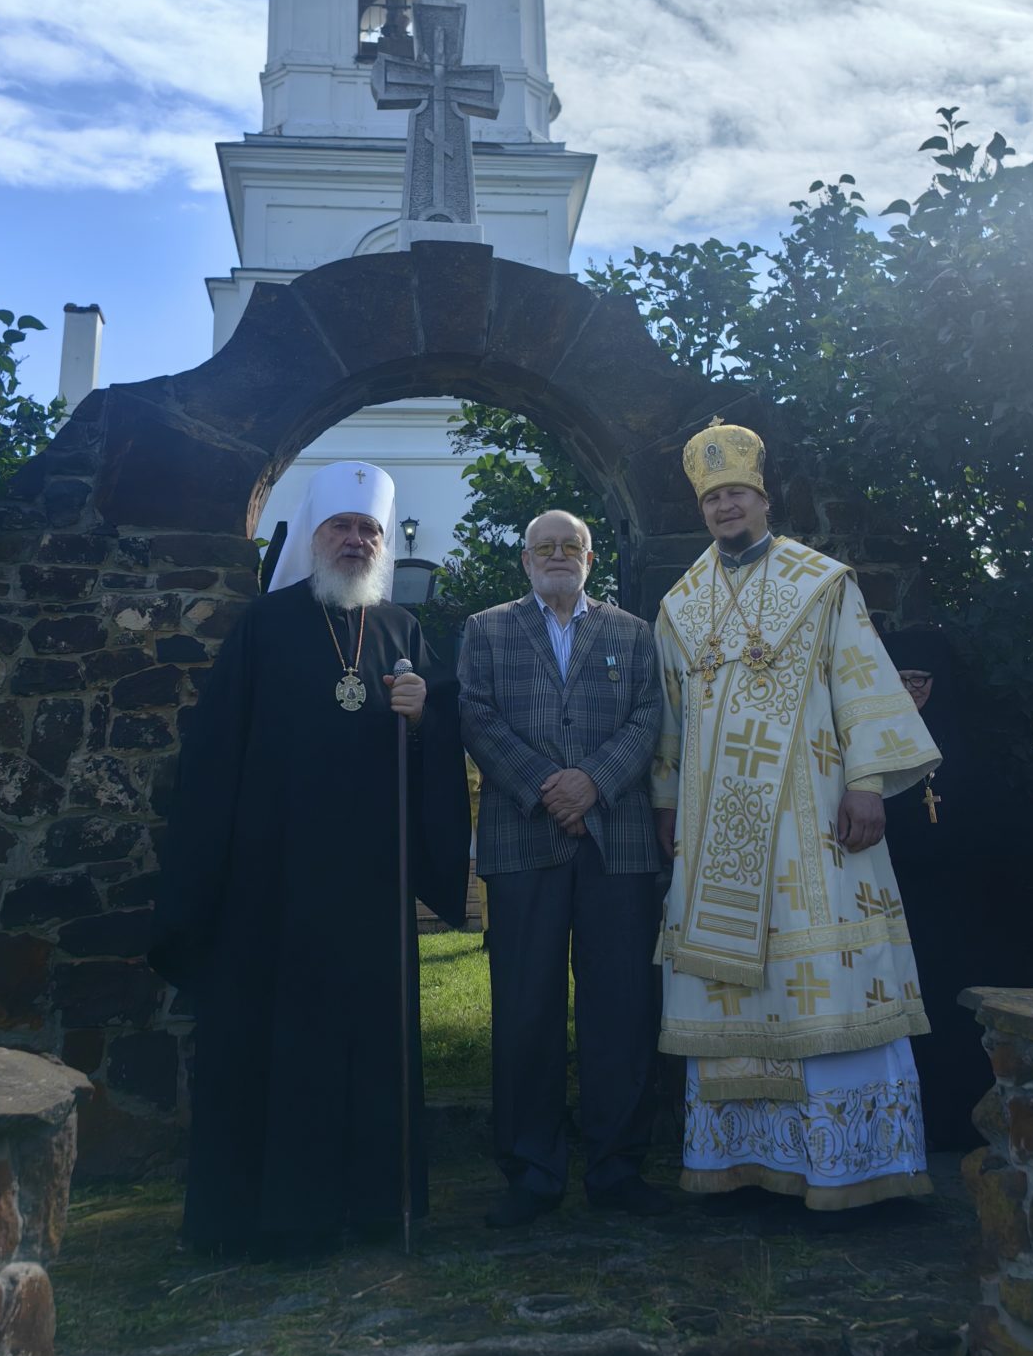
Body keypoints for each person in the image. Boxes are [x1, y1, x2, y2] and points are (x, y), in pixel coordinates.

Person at [149, 461, 471, 1253]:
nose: (356, 540)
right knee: (277, 1043)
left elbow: (438, 743)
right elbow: (215, 754)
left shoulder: (401, 629)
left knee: (370, 1045)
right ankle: (278, 1216)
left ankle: (372, 1205)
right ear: (315, 536)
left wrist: (425, 716)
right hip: (274, 884)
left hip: (370, 886)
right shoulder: (264, 626)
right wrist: (213, 869)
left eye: (369, 530)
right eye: (342, 527)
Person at [652, 419, 939, 1212]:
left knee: (829, 983)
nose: (724, 507)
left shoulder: (821, 582)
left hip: (815, 822)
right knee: (733, 986)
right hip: (717, 837)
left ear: (762, 497)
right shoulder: (680, 605)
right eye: (712, 498)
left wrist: (868, 782)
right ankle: (747, 1161)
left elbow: (861, 680)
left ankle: (850, 1170)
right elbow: (670, 719)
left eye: (736, 493)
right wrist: (665, 801)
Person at [459, 508, 666, 1227]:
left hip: (620, 842)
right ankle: (531, 1170)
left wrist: (593, 784)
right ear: (525, 560)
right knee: (526, 1008)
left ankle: (618, 1166)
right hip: (523, 838)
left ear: (588, 558)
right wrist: (551, 788)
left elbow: (650, 715)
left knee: (623, 1008)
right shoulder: (485, 630)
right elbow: (477, 716)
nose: (556, 555)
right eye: (542, 547)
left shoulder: (634, 634)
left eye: (569, 545)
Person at [884, 625, 1033, 1148]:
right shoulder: (872, 740)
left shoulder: (969, 742)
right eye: (901, 679)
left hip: (964, 905)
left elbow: (996, 827)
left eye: (922, 679)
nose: (913, 690)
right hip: (901, 901)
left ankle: (964, 1122)